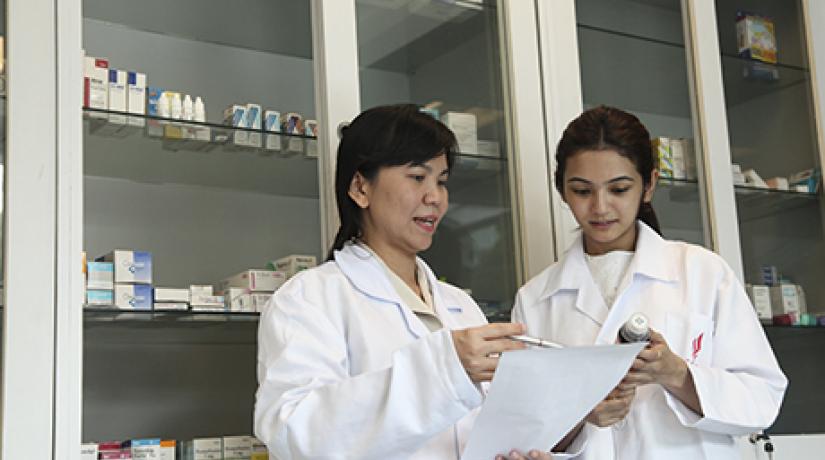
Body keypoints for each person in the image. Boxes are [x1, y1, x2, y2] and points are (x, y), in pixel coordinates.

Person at [253, 104, 532, 459]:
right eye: (418, 177)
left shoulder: (460, 305)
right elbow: (294, 435)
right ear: (360, 187)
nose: (435, 197)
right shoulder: (309, 299)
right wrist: (442, 373)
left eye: (442, 181)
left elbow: (479, 430)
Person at [512, 105, 788, 459]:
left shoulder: (702, 272)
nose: (600, 207)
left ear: (649, 185)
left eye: (619, 189)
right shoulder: (536, 299)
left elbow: (762, 398)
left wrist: (678, 375)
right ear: (562, 191)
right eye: (582, 191)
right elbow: (525, 427)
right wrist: (582, 415)